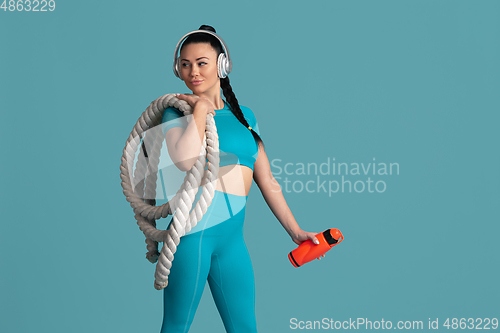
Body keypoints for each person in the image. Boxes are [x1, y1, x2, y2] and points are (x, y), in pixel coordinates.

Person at [160, 25, 326, 333]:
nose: (192, 71)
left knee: (245, 327)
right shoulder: (175, 112)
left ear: (222, 65)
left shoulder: (245, 116)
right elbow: (183, 160)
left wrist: (295, 230)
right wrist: (200, 111)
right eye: (185, 64)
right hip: (191, 239)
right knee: (175, 327)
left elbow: (267, 180)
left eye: (201, 62)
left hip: (232, 242)